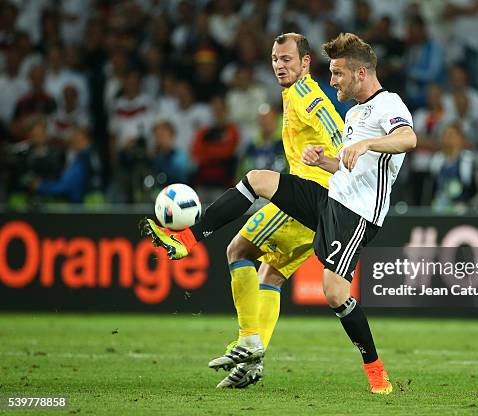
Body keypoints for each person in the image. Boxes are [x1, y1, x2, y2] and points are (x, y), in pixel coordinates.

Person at [141, 32, 417, 394]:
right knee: (258, 186)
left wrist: (365, 143)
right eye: (275, 59)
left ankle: (376, 373)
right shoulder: (355, 112)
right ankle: (189, 240)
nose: (331, 80)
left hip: (355, 213)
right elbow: (350, 166)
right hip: (331, 195)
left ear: (361, 73)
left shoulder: (386, 103)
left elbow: (408, 138)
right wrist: (328, 160)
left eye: (337, 74)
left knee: (333, 292)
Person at [198, 32, 343, 389]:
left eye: (287, 59)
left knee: (238, 249)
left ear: (305, 62)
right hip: (315, 211)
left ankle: (248, 340)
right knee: (272, 275)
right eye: (276, 60)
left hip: (307, 199)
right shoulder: (292, 95)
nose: (280, 65)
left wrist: (330, 163)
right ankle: (253, 363)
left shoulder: (308, 96)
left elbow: (341, 138)